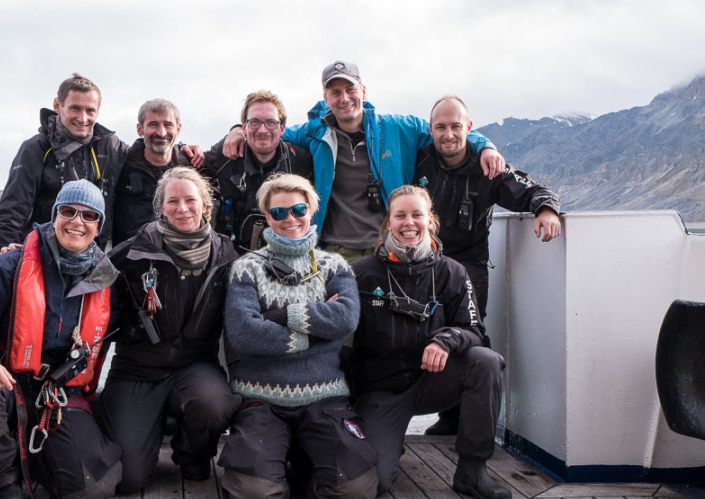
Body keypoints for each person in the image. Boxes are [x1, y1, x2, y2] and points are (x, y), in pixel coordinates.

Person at [0, 179, 123, 499]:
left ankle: (37, 457)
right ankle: (1, 477)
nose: (77, 222)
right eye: (68, 211)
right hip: (8, 383)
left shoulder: (108, 280)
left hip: (59, 394)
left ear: (99, 226)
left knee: (90, 488)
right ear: (54, 216)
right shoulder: (11, 265)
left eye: (89, 216)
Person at [223, 61, 505, 264]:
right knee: (342, 337)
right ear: (326, 98)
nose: (344, 98)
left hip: (386, 247)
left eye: (350, 89)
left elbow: (446, 128)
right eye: (335, 92)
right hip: (334, 252)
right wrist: (237, 129)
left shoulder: (397, 128)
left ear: (363, 91)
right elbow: (270, 131)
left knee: (383, 333)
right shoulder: (314, 133)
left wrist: (484, 146)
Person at [219, 173, 378, 499]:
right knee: (253, 497)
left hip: (324, 396)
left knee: (354, 492)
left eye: (298, 209)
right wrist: (318, 333)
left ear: (311, 212)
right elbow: (244, 333)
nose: (289, 219)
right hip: (261, 396)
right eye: (278, 213)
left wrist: (278, 315)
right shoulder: (247, 268)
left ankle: (300, 462)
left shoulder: (336, 266)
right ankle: (277, 465)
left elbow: (346, 319)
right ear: (267, 217)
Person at [351, 185, 511, 499]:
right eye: (400, 216)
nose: (409, 223)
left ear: (430, 220)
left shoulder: (452, 272)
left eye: (416, 215)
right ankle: (389, 442)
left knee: (486, 361)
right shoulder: (363, 274)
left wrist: (445, 340)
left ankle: (472, 469)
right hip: (382, 391)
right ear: (388, 223)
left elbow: (473, 330)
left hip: (434, 381)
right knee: (376, 481)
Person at [416, 95, 562, 435]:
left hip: (469, 268)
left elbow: (532, 189)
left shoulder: (488, 167)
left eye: (455, 126)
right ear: (431, 130)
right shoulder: (418, 159)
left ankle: (473, 426)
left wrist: (546, 210)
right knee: (423, 335)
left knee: (470, 340)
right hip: (422, 264)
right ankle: (446, 415)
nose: (448, 134)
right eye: (440, 127)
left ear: (469, 128)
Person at [96, 167, 240, 493]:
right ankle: (118, 415)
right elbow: (91, 303)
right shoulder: (130, 254)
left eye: (190, 200)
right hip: (136, 370)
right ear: (160, 207)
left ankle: (191, 454)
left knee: (214, 403)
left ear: (205, 205)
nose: (182, 208)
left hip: (194, 367)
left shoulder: (228, 257)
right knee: (129, 479)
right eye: (172, 201)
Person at [0, 73, 128, 259]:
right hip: (42, 257)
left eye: (90, 111)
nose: (83, 118)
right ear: (57, 105)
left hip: (90, 260)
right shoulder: (35, 149)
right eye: (75, 108)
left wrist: (179, 151)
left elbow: (149, 156)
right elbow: (11, 212)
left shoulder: (111, 146)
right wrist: (0, 262)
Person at [202, 90, 313, 253]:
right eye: (254, 122)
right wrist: (187, 149)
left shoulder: (301, 161)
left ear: (282, 128)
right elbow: (187, 165)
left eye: (271, 122)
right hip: (229, 256)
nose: (262, 130)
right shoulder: (225, 153)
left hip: (286, 256)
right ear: (244, 127)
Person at [111, 99, 192, 245]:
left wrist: (236, 130)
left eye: (168, 125)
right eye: (153, 124)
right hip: (127, 260)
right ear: (139, 129)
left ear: (178, 129)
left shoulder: (193, 166)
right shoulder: (119, 163)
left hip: (177, 259)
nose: (161, 133)